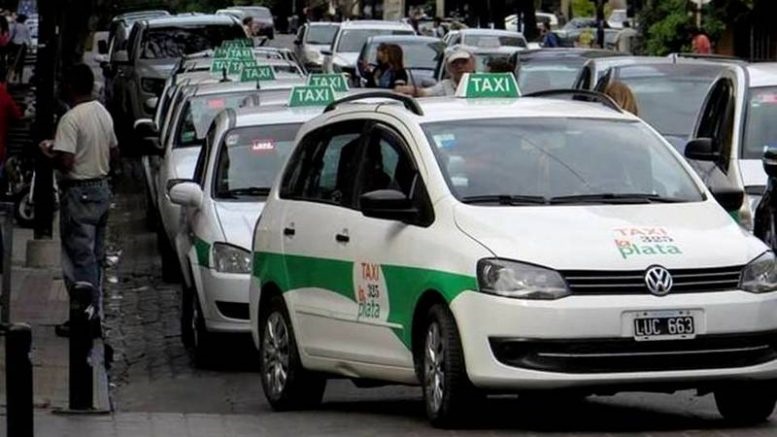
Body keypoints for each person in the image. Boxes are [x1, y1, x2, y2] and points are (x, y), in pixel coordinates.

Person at [39, 64, 119, 337]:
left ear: (71, 87)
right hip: (101, 189)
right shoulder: (102, 113)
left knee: (79, 259)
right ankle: (93, 311)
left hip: (79, 193)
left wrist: (49, 153)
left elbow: (67, 161)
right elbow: (114, 152)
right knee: (94, 257)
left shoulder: (70, 119)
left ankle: (85, 317)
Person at [395, 48, 475, 97]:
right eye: (455, 63)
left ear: (473, 64)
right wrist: (413, 91)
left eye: (464, 62)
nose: (459, 66)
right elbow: (426, 93)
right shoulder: (445, 86)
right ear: (449, 68)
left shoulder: (481, 82)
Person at [8, 14, 30, 84]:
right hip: (23, 45)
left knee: (14, 61)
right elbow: (28, 37)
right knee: (21, 62)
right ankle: (20, 77)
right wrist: (31, 46)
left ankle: (12, 75)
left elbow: (11, 35)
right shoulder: (26, 27)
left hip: (15, 45)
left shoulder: (15, 26)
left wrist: (7, 42)